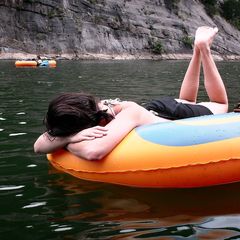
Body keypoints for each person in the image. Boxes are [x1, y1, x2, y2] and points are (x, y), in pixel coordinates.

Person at [34, 26, 228, 160]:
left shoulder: (123, 115)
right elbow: (38, 145)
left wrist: (66, 141)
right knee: (186, 100)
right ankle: (196, 51)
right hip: (156, 111)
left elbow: (94, 152)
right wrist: (70, 138)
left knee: (220, 104)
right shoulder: (94, 112)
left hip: (159, 114)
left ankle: (204, 49)